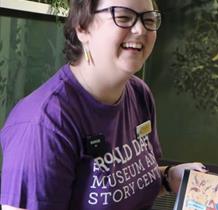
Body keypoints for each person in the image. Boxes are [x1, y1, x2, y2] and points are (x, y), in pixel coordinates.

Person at [0, 0, 207, 209]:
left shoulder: (138, 93)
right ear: (82, 28)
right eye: (124, 17)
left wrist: (170, 178)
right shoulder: (44, 125)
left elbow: (126, 188)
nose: (140, 29)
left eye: (149, 19)